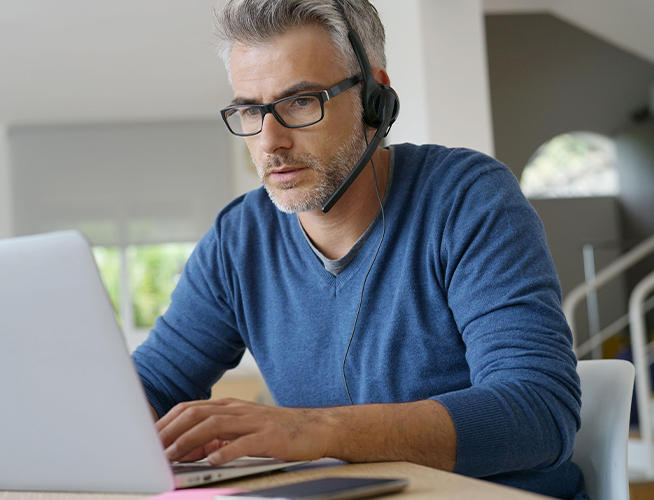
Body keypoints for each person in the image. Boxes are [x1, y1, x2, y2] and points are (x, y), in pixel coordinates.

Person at [132, 1, 586, 498]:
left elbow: (538, 411)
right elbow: (151, 385)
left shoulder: (467, 198)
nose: (270, 142)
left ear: (375, 96)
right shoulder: (238, 239)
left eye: (301, 101)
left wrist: (308, 430)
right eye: (249, 110)